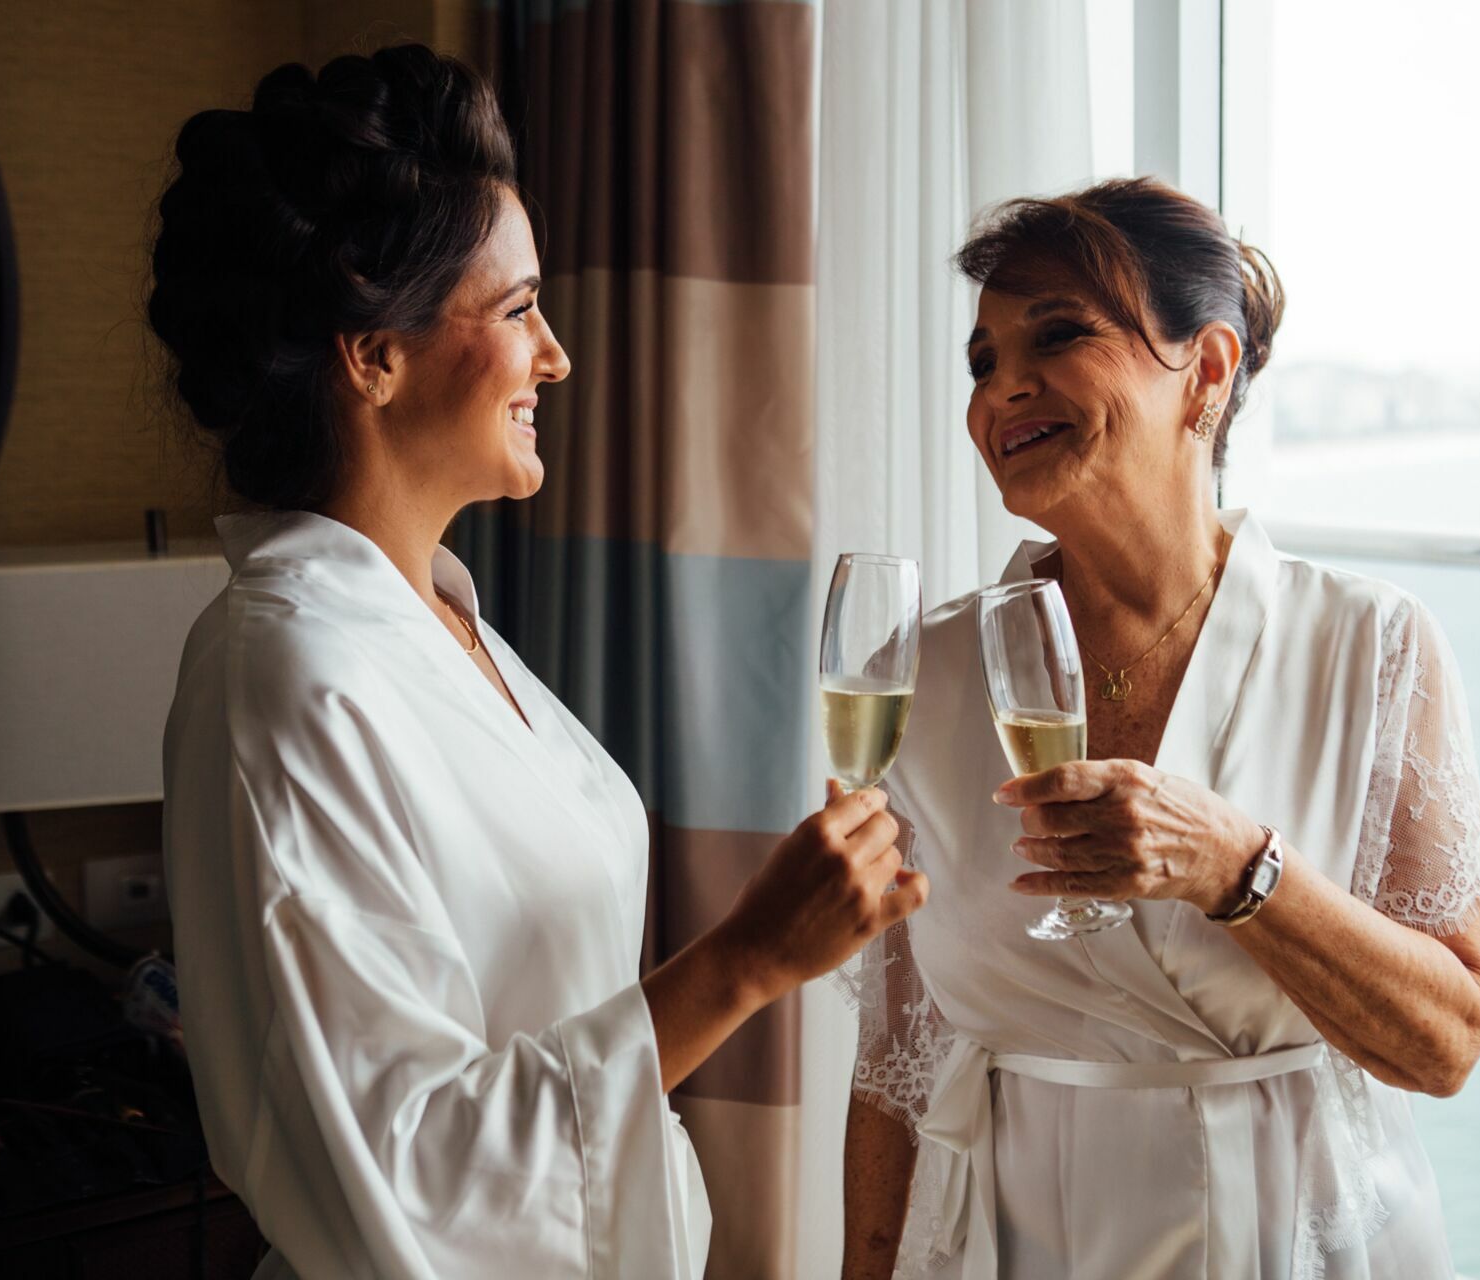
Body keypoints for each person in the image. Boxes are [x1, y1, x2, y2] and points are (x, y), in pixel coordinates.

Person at [150, 45, 925, 1279]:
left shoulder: (443, 624)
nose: (556, 356)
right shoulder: (289, 681)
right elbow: (403, 1170)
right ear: (374, 352)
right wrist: (747, 960)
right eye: (516, 310)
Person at [838, 178, 1480, 1279]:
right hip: (1015, 1248)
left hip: (1302, 1245)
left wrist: (1238, 867)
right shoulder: (922, 677)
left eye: (1057, 335)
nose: (1004, 387)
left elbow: (1450, 1040)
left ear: (1206, 371)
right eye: (981, 359)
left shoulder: (1373, 647)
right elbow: (895, 1075)